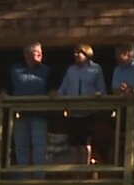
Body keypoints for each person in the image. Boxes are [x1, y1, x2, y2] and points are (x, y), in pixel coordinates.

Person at [56, 42, 105, 164]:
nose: (77, 55)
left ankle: (84, 169)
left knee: (85, 142)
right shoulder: (70, 70)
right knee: (73, 143)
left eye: (80, 53)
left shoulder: (96, 69)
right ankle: (74, 171)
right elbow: (63, 89)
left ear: (87, 54)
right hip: (72, 111)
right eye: (75, 53)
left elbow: (102, 89)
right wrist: (56, 94)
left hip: (88, 111)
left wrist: (98, 95)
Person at [6, 41, 50, 176]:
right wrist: (3, 93)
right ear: (27, 54)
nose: (40, 55)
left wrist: (53, 92)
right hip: (19, 112)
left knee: (40, 146)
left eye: (41, 52)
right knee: (21, 146)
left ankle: (39, 178)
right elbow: (7, 87)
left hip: (39, 113)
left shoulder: (46, 70)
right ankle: (22, 177)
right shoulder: (15, 70)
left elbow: (53, 87)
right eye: (37, 52)